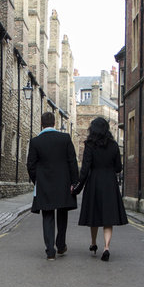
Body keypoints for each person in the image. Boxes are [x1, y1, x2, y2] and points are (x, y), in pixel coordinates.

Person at [26, 111, 79, 260]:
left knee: (47, 216)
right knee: (62, 215)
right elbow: (72, 162)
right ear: (55, 123)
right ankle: (61, 245)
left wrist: (37, 180)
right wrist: (74, 182)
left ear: (41, 124)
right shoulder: (65, 138)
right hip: (63, 184)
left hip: (45, 184)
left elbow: (31, 165)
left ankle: (50, 251)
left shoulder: (36, 142)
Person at [74, 117, 128, 261]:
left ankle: (93, 243)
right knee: (108, 218)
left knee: (94, 216)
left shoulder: (90, 145)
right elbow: (118, 168)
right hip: (110, 183)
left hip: (94, 182)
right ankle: (106, 247)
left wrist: (78, 187)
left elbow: (84, 169)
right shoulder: (114, 145)